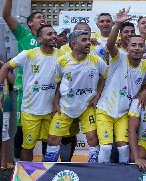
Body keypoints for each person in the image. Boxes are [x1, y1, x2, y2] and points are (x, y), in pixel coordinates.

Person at [0, 25, 59, 162]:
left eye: (54, 33)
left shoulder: (62, 55)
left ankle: (48, 175)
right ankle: (24, 178)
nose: (54, 36)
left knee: (51, 144)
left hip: (51, 111)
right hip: (30, 110)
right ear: (39, 39)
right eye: (49, 34)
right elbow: (6, 66)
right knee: (28, 146)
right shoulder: (29, 54)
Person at [44, 29, 107, 163]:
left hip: (87, 106)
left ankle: (93, 166)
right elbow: (58, 82)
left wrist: (97, 96)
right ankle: (49, 167)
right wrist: (55, 103)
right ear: (73, 44)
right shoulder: (62, 61)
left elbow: (106, 77)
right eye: (84, 40)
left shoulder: (96, 60)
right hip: (66, 106)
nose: (88, 43)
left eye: (89, 39)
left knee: (92, 137)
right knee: (52, 138)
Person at [95, 7, 146, 163]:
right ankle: (102, 179)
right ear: (128, 46)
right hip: (105, 110)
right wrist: (117, 24)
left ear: (144, 49)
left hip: (123, 113)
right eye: (134, 45)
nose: (136, 48)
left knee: (123, 148)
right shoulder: (119, 57)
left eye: (140, 45)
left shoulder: (145, 65)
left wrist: (145, 90)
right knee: (105, 148)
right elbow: (111, 44)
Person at [2, 0, 46, 163]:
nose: (42, 19)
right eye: (38, 17)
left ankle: (47, 164)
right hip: (25, 90)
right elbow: (6, 15)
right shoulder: (23, 34)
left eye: (44, 17)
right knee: (22, 129)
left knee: (47, 130)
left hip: (47, 91)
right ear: (29, 24)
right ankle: (19, 167)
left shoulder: (51, 40)